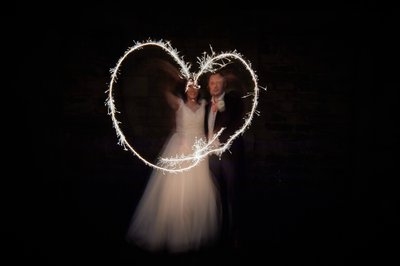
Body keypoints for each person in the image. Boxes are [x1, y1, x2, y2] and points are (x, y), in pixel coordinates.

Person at [126, 81, 221, 253]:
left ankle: (194, 231)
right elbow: (165, 91)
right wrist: (172, 74)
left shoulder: (205, 105)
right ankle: (179, 232)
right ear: (185, 89)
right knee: (179, 189)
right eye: (189, 87)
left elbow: (213, 119)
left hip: (199, 149)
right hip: (181, 148)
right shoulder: (178, 103)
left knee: (198, 187)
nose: (193, 90)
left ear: (199, 90)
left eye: (196, 87)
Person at [205, 71, 245, 247]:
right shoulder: (206, 106)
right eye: (212, 83)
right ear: (208, 86)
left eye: (218, 82)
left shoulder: (231, 99)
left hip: (229, 155)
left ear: (224, 85)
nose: (215, 86)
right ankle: (219, 232)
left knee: (232, 193)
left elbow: (228, 116)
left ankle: (235, 233)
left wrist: (219, 104)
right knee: (216, 194)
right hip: (212, 156)